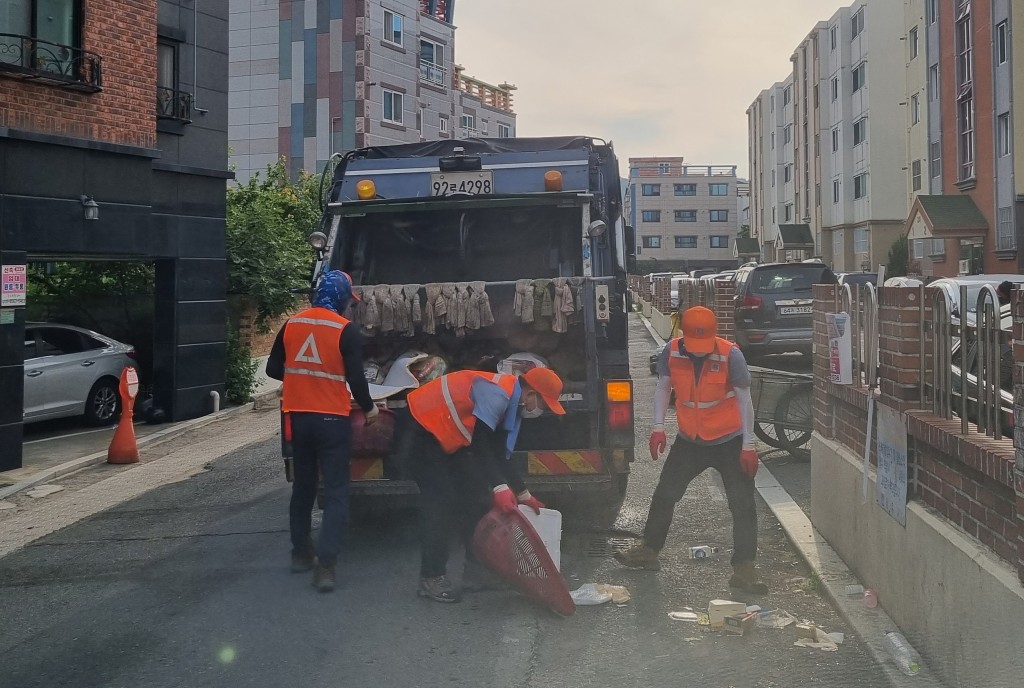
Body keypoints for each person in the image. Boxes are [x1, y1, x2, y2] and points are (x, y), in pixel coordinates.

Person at [614, 306, 768, 594]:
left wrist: (749, 445)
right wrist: (658, 427)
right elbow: (663, 388)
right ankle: (649, 550)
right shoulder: (671, 352)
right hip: (690, 440)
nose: (699, 352)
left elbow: (745, 401)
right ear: (683, 334)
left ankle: (744, 569)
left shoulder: (730, 355)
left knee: (743, 505)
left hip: (729, 440)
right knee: (665, 494)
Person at [404, 366, 566, 603]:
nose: (539, 410)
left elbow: (499, 452)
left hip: (444, 434)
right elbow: (481, 445)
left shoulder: (511, 405)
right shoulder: (498, 395)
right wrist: (500, 487)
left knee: (473, 497)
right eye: (542, 404)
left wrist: (523, 493)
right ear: (531, 393)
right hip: (420, 429)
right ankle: (431, 577)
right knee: (441, 502)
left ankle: (476, 573)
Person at [267, 270, 378, 593]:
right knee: (337, 490)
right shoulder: (345, 330)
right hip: (331, 420)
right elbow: (356, 380)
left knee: (303, 487)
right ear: (342, 298)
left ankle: (301, 553)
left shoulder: (292, 324)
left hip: (298, 419)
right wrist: (370, 409)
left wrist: (302, 378)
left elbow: (273, 368)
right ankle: (326, 567)